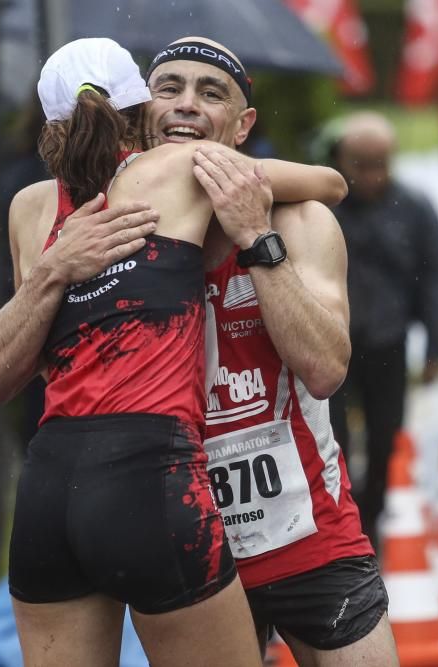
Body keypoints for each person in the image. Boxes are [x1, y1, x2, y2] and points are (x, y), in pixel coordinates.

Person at [0, 37, 347, 667]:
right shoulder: (183, 167)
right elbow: (329, 182)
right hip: (148, 474)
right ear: (142, 108)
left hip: (49, 486)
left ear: (48, 121)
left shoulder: (31, 209)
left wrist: (56, 270)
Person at [145, 38, 400, 666]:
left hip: (310, 534)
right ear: (141, 113)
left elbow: (324, 369)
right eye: (169, 88)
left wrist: (256, 237)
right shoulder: (118, 235)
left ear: (242, 125)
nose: (186, 105)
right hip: (187, 547)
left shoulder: (298, 221)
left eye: (211, 93)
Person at [327, 111, 438, 549]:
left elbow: (437, 275)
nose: (370, 175)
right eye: (360, 163)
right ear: (342, 159)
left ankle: (371, 518)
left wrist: (436, 345)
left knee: (387, 441)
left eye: (378, 164)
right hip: (331, 348)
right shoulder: (322, 206)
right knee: (333, 445)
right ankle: (343, 528)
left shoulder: (413, 208)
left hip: (387, 342)